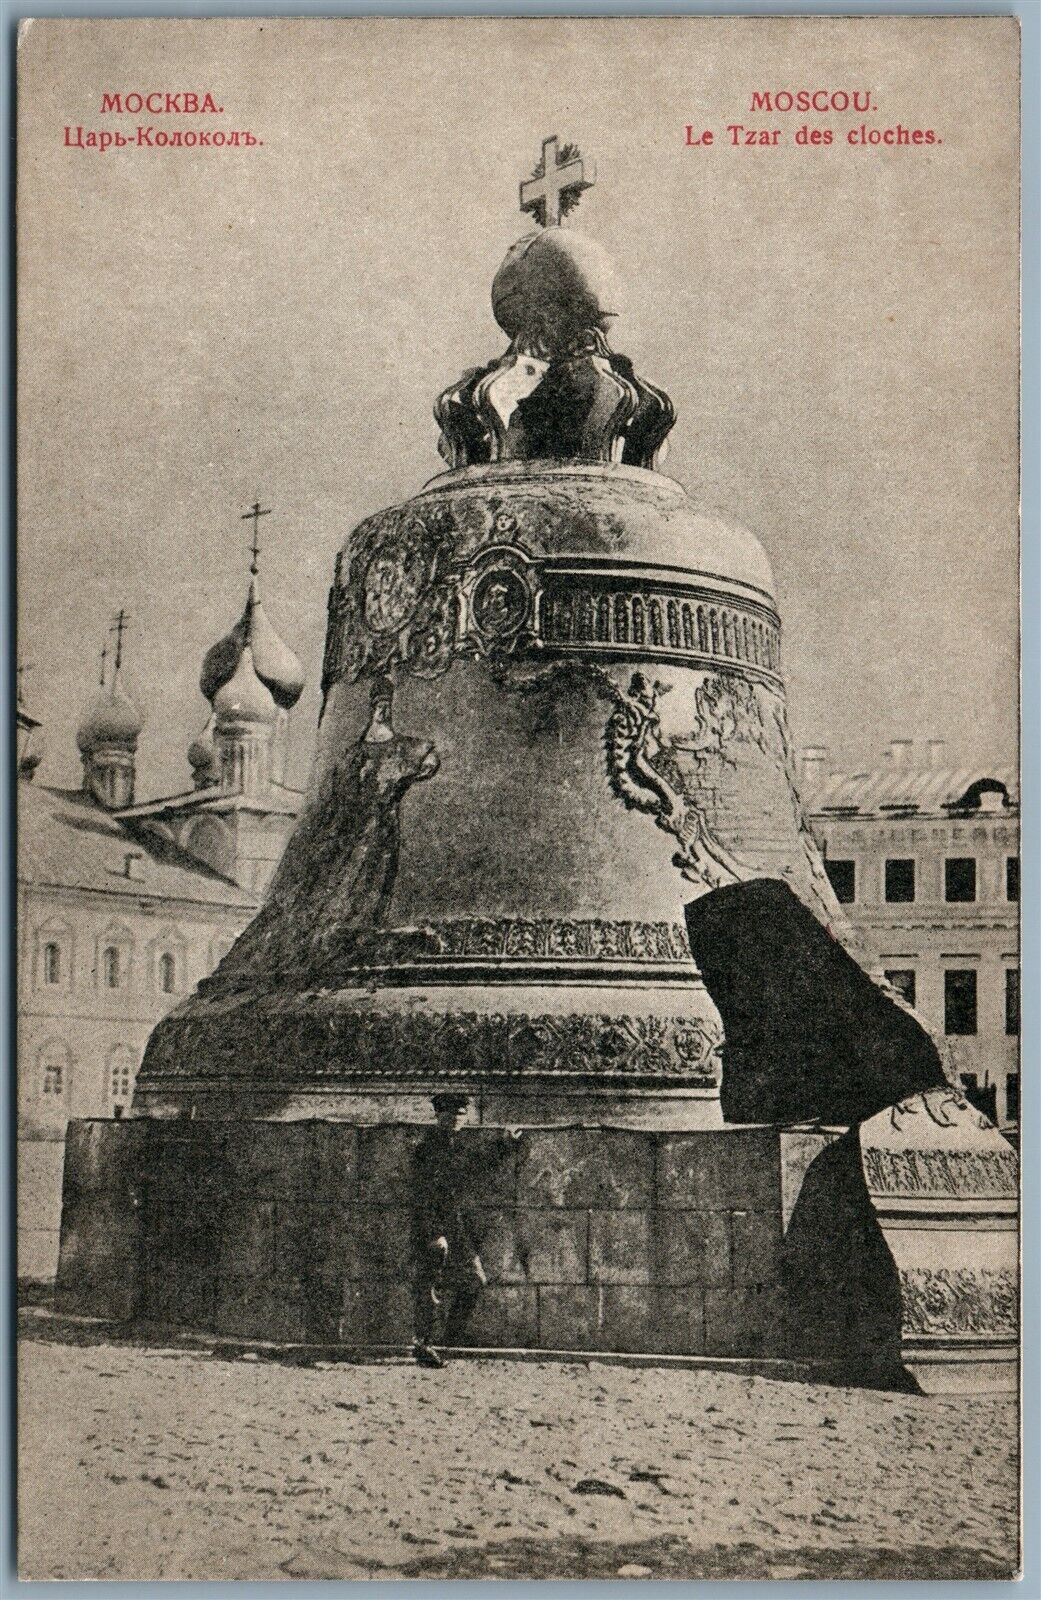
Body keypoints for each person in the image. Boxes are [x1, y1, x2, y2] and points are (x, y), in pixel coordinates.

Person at [410, 1093, 487, 1368]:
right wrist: (432, 1233)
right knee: (429, 1287)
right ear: (438, 1116)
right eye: (449, 1113)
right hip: (433, 1228)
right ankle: (423, 1344)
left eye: (460, 1113)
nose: (455, 1118)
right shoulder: (427, 1149)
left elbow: (480, 1164)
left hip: (457, 1227)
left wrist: (507, 1142)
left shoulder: (459, 1146)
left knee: (475, 1280)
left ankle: (449, 1339)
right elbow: (420, 1194)